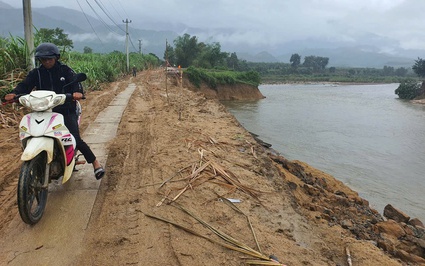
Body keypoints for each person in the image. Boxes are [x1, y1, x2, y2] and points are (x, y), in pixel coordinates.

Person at [4, 43, 105, 180]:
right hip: (44, 110)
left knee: (74, 138)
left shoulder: (65, 71)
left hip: (65, 110)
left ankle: (95, 163)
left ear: (56, 58)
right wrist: (14, 94)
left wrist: (77, 93)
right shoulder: (36, 73)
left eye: (49, 59)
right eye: (43, 60)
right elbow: (24, 86)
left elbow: (76, 84)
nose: (46, 62)